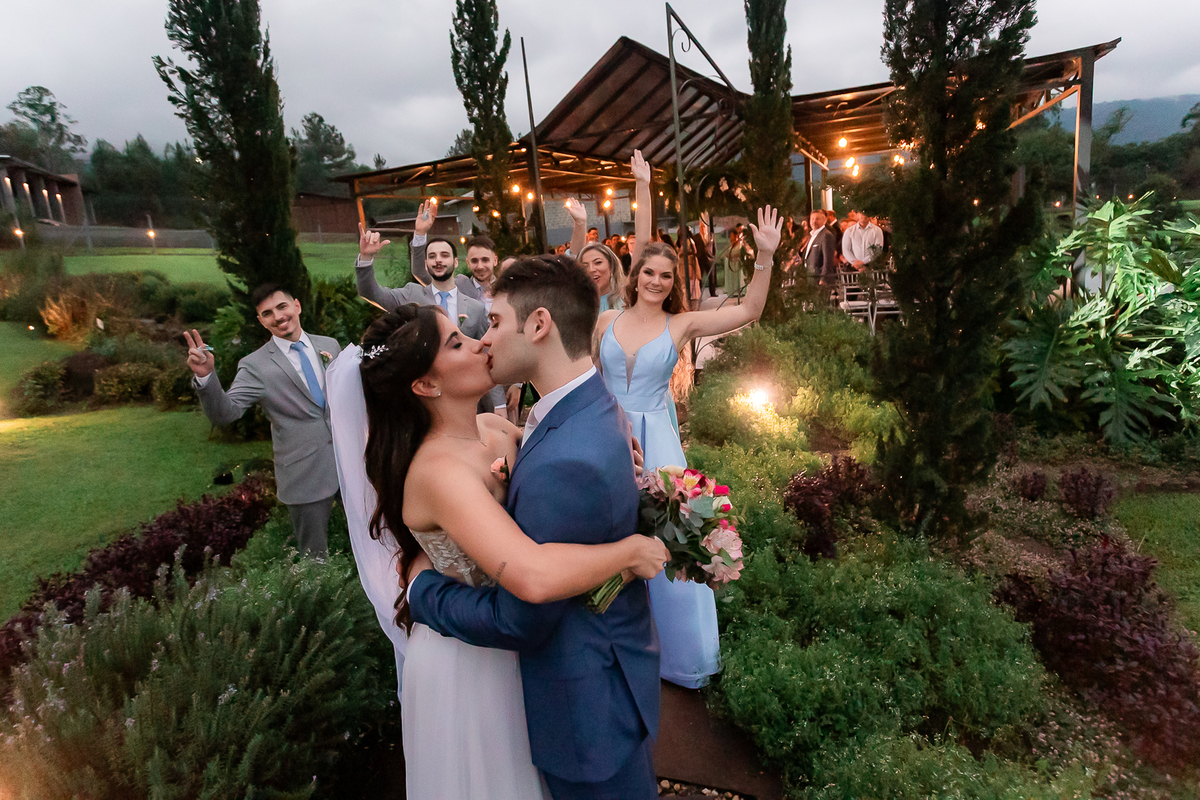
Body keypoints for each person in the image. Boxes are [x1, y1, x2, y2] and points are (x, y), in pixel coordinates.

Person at [397, 254, 668, 798]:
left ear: (539, 325)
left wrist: (421, 590)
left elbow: (523, 619)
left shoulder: (562, 454)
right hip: (598, 672)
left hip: (583, 701)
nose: (484, 339)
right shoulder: (583, 407)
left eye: (493, 322)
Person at [595, 171, 784, 690]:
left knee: (668, 538)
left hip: (657, 442)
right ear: (633, 274)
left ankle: (680, 655)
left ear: (672, 283)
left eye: (665, 276)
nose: (655, 281)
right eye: (648, 272)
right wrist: (641, 188)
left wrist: (764, 256)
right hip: (607, 436)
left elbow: (750, 309)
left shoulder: (681, 325)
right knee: (605, 535)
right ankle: (611, 644)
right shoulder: (602, 322)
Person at [183, 283, 341, 555]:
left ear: (297, 306)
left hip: (349, 464)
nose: (278, 316)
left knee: (373, 539)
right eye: (267, 313)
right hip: (303, 473)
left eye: (282, 306)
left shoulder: (330, 346)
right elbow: (225, 413)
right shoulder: (255, 365)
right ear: (260, 321)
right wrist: (206, 376)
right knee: (315, 558)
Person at [804, 210, 838, 289]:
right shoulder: (811, 235)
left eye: (817, 219)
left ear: (825, 220)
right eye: (812, 219)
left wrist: (823, 279)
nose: (814, 221)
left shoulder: (826, 235)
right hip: (810, 278)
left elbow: (828, 260)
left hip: (819, 280)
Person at [723, 223, 754, 298]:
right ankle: (732, 291)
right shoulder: (730, 245)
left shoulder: (742, 243)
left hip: (739, 263)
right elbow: (726, 253)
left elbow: (743, 252)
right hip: (731, 263)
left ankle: (741, 291)